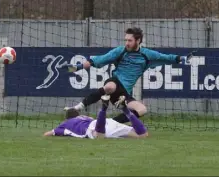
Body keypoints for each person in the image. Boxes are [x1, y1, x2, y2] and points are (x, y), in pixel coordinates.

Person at [63, 27, 194, 124]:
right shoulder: (120, 51)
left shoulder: (147, 54)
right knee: (109, 87)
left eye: (129, 40)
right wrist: (76, 67)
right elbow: (98, 59)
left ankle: (109, 124)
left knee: (142, 110)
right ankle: (77, 108)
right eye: (125, 40)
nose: (126, 43)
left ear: (138, 40)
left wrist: (182, 59)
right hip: (115, 82)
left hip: (124, 93)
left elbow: (167, 57)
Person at [44, 95, 148, 139]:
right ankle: (125, 110)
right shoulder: (85, 117)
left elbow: (47, 134)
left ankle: (104, 107)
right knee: (143, 135)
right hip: (107, 122)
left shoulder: (64, 124)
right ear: (78, 115)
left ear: (67, 118)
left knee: (99, 136)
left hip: (96, 128)